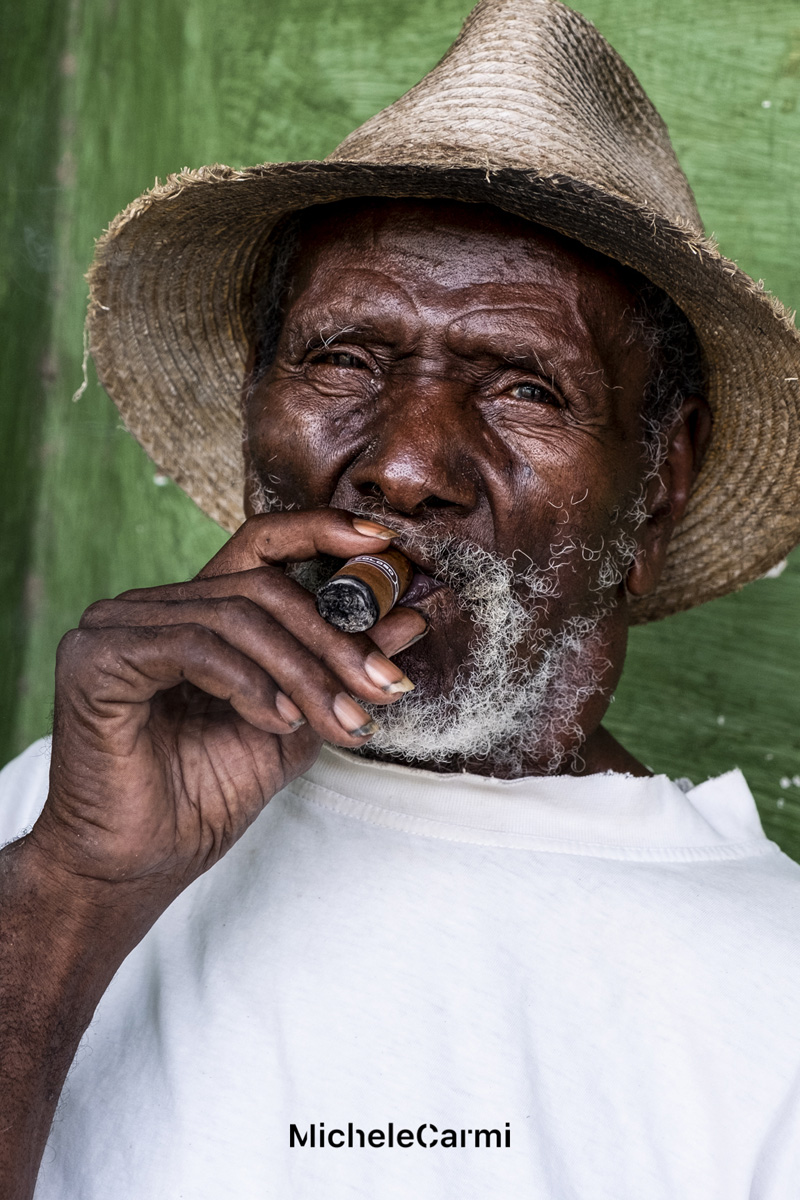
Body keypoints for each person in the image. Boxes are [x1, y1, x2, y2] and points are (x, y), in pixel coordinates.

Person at [2, 0, 800, 1196]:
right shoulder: (55, 818)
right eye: (344, 360)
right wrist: (78, 889)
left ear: (658, 489)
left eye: (523, 386)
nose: (405, 464)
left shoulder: (771, 994)